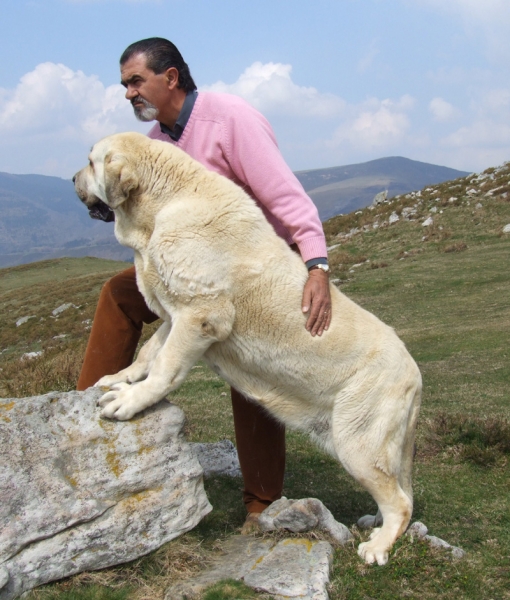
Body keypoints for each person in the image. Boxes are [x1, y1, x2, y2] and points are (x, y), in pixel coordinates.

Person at [76, 37, 331, 530]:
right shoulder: (153, 144)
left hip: (250, 273)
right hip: (189, 269)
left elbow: (283, 194)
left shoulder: (230, 119)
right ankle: (86, 416)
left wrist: (315, 264)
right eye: (125, 85)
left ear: (170, 77)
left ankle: (261, 502)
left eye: (136, 81)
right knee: (119, 295)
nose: (129, 93)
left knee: (246, 369)